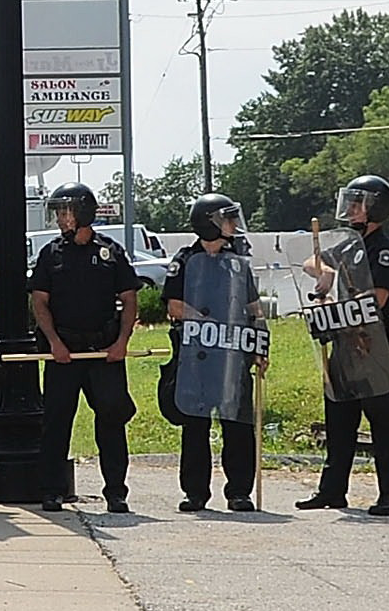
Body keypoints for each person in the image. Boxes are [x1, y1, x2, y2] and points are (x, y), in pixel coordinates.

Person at [295, 176, 389, 516]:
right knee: (339, 420)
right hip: (343, 345)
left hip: (375, 347)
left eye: (358, 202)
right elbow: (311, 262)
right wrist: (325, 271)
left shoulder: (386, 252)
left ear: (375, 207)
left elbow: (377, 299)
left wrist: (341, 300)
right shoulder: (347, 246)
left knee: (384, 422)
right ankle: (332, 490)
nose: (350, 208)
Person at [30, 184, 140, 515]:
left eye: (67, 211)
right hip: (63, 353)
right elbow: (39, 301)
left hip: (104, 352)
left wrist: (122, 342)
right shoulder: (51, 254)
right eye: (59, 212)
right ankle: (52, 491)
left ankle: (116, 492)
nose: (62, 218)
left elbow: (130, 299)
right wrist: (54, 343)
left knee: (111, 420)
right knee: (56, 423)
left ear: (85, 212)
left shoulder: (111, 252)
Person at [163, 194, 267, 514]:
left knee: (237, 424)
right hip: (197, 358)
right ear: (209, 223)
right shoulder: (184, 259)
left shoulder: (238, 261)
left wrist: (262, 342)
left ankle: (239, 492)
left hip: (235, 356)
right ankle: (195, 492)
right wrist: (207, 323)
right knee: (195, 425)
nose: (233, 225)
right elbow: (173, 305)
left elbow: (254, 307)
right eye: (227, 219)